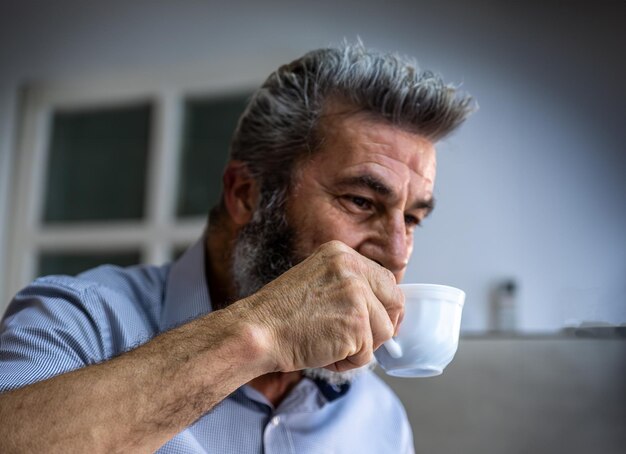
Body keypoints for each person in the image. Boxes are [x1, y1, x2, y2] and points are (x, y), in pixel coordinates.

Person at [0, 42, 474, 452]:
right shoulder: (77, 322)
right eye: (360, 201)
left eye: (412, 218)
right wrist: (262, 332)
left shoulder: (380, 418)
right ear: (247, 194)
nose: (396, 254)